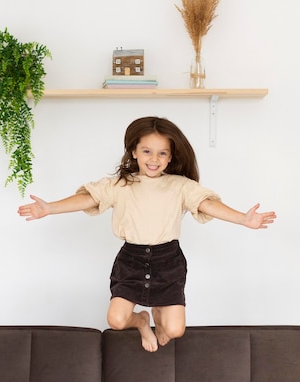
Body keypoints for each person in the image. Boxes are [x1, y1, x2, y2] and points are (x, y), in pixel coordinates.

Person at [18, 116, 276, 352]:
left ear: (170, 157)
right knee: (116, 320)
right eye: (147, 151)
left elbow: (206, 204)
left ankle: (160, 315)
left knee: (175, 330)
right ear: (134, 152)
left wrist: (242, 218)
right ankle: (143, 321)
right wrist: (50, 208)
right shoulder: (121, 184)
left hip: (169, 260)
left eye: (162, 153)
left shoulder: (180, 186)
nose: (154, 159)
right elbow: (88, 198)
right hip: (131, 259)